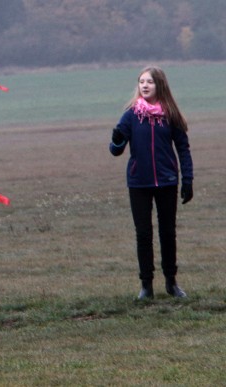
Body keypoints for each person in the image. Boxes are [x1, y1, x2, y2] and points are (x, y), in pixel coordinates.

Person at [109, 66, 193, 300]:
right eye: (141, 82)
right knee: (143, 234)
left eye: (150, 82)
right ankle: (146, 286)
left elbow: (183, 149)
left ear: (160, 86)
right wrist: (116, 142)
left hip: (167, 181)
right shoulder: (131, 115)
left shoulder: (171, 115)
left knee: (168, 233)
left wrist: (188, 179)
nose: (145, 85)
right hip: (139, 183)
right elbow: (116, 150)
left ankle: (171, 283)